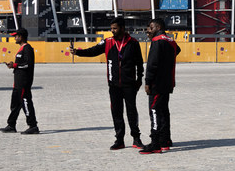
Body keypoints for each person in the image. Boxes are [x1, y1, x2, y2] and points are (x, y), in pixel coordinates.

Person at [72, 17, 145, 150]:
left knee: (131, 112)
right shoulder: (108, 42)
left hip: (129, 85)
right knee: (116, 112)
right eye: (111, 28)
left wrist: (139, 79)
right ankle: (119, 140)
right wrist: (78, 52)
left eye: (115, 28)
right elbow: (93, 51)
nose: (112, 31)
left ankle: (136, 138)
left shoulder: (133, 43)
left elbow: (139, 63)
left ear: (122, 28)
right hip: (114, 85)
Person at [140, 18, 181, 154]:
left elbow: (152, 64)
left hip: (157, 83)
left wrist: (147, 82)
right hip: (168, 82)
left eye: (150, 28)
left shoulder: (157, 41)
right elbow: (178, 50)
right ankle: (165, 140)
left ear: (158, 27)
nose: (148, 31)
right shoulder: (170, 41)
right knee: (164, 111)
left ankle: (155, 143)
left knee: (154, 111)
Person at [0, 28, 39, 134]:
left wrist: (15, 65)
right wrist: (13, 65)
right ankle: (11, 125)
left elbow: (28, 64)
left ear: (21, 37)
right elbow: (21, 64)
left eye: (16, 36)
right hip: (17, 82)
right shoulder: (21, 49)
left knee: (26, 103)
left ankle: (33, 126)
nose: (14, 38)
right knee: (15, 104)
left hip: (24, 82)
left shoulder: (27, 48)